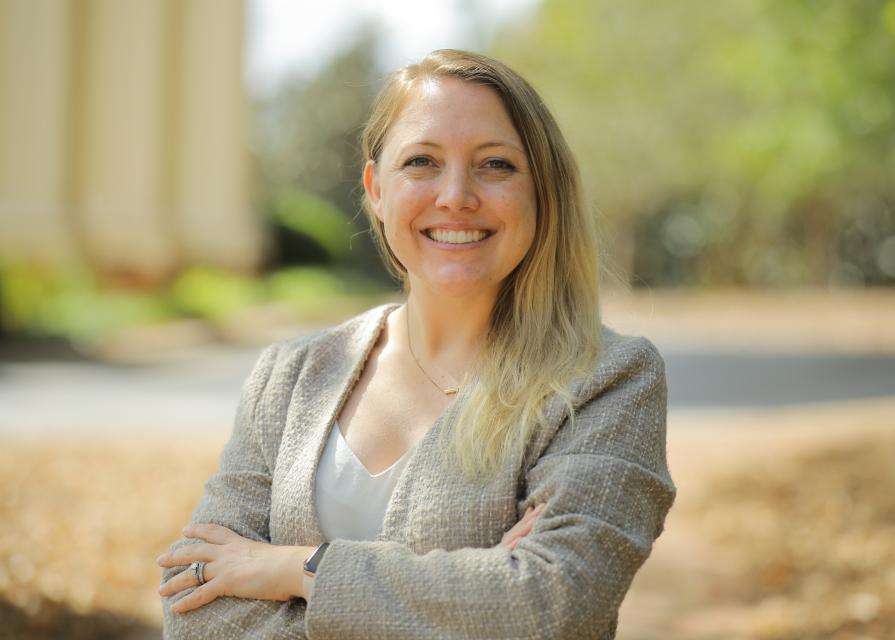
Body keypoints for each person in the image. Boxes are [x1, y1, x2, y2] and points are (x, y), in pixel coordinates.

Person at [157, 48, 675, 639]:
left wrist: (294, 569)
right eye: (422, 161)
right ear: (377, 190)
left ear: (542, 192)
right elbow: (194, 603)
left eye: (496, 165)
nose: (456, 195)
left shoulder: (606, 378)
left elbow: (552, 603)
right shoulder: (290, 376)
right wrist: (473, 596)